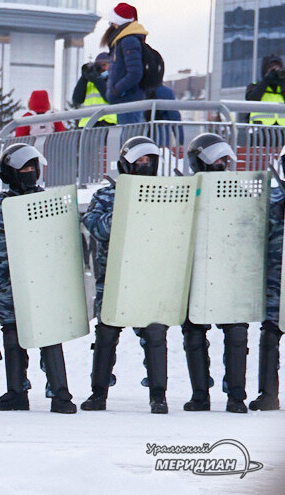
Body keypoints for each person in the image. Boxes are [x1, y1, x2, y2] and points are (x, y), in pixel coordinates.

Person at [0, 143, 76, 413]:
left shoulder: (50, 203)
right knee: (12, 333)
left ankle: (60, 393)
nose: (30, 173)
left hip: (44, 280)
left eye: (33, 168)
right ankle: (16, 391)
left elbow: (64, 242)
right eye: (24, 168)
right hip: (8, 282)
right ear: (10, 173)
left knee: (49, 332)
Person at [80, 136, 169, 414]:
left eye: (148, 161)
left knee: (155, 334)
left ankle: (158, 395)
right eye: (138, 161)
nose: (144, 166)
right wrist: (126, 206)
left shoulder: (167, 192)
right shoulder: (107, 196)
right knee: (106, 334)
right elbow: (96, 227)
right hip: (114, 278)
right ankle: (98, 393)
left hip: (150, 277)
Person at [180, 133, 249, 413]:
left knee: (236, 333)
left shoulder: (239, 188)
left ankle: (236, 396)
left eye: (224, 159)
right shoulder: (186, 188)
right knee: (194, 333)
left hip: (228, 270)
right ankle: (200, 395)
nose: (222, 163)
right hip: (196, 270)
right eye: (216, 159)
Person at [250, 143, 284, 411]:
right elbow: (256, 229)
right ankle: (268, 394)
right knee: (270, 333)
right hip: (277, 281)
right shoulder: (273, 198)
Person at [101, 2, 148, 125]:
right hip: (126, 100)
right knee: (127, 138)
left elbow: (135, 72)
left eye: (112, 21)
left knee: (128, 138)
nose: (111, 24)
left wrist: (117, 90)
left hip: (128, 100)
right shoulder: (124, 40)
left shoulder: (128, 40)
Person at [70, 53, 117, 128]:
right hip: (87, 123)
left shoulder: (114, 79)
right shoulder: (90, 81)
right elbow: (76, 100)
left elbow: (109, 97)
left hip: (107, 121)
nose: (102, 68)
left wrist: (97, 80)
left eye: (104, 65)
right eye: (99, 66)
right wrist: (84, 77)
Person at [245, 55, 285, 125]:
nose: (275, 70)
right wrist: (267, 80)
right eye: (271, 67)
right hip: (260, 128)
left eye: (277, 67)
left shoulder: (282, 87)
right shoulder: (255, 85)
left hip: (281, 129)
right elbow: (252, 99)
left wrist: (282, 82)